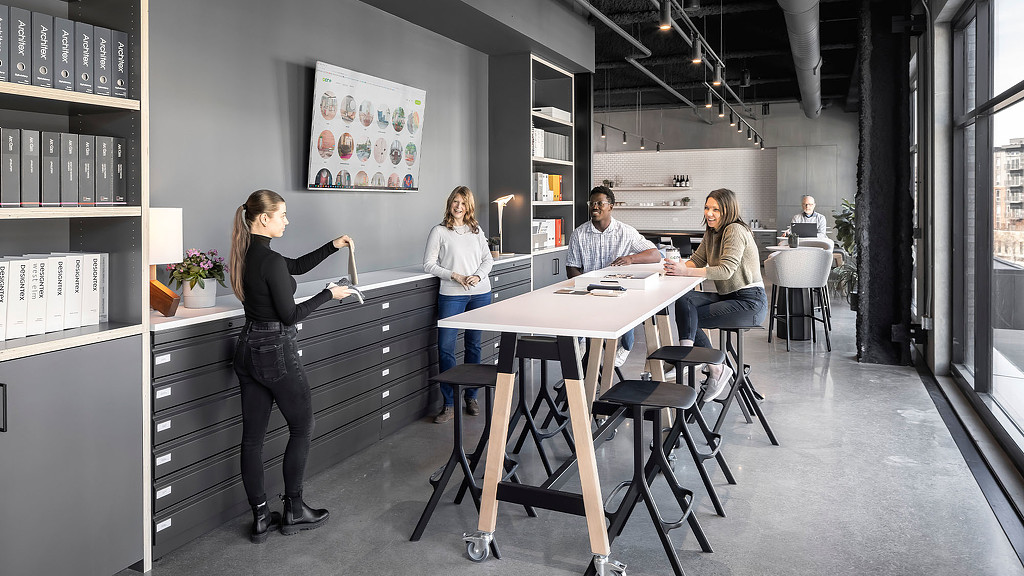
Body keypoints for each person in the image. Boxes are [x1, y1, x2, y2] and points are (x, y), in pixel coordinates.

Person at [229, 189, 355, 542]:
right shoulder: (268, 260)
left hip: (246, 348)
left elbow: (296, 266)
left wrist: (333, 245)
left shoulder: (249, 254)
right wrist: (329, 294)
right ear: (264, 218)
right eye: (282, 215)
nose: (287, 220)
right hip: (275, 350)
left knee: (251, 440)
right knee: (302, 426)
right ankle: (295, 510)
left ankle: (260, 518)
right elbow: (290, 315)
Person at [663, 188, 768, 401]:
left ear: (728, 210)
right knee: (684, 301)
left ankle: (690, 358)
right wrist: (677, 267)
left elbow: (725, 270)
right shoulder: (712, 232)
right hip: (730, 296)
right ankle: (705, 363)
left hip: (750, 302)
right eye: (707, 208)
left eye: (715, 209)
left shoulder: (735, 230)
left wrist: (686, 271)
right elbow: (698, 260)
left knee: (690, 319)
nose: (709, 213)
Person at [566, 186, 661, 366]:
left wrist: (630, 258)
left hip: (618, 293)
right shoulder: (579, 234)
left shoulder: (626, 232)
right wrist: (584, 288)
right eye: (592, 203)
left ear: (611, 206)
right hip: (590, 293)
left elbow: (655, 254)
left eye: (600, 203)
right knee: (577, 318)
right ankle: (581, 352)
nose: (595, 207)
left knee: (628, 306)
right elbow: (572, 268)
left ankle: (626, 346)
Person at [423, 186, 494, 424]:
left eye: (463, 203)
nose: (459, 207)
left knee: (474, 346)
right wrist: (456, 276)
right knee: (446, 348)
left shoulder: (476, 230)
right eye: (455, 201)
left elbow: (488, 259)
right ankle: (449, 403)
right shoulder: (440, 231)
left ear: (469, 206)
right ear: (449, 204)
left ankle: (472, 397)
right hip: (452, 294)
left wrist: (478, 276)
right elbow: (429, 265)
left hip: (480, 294)